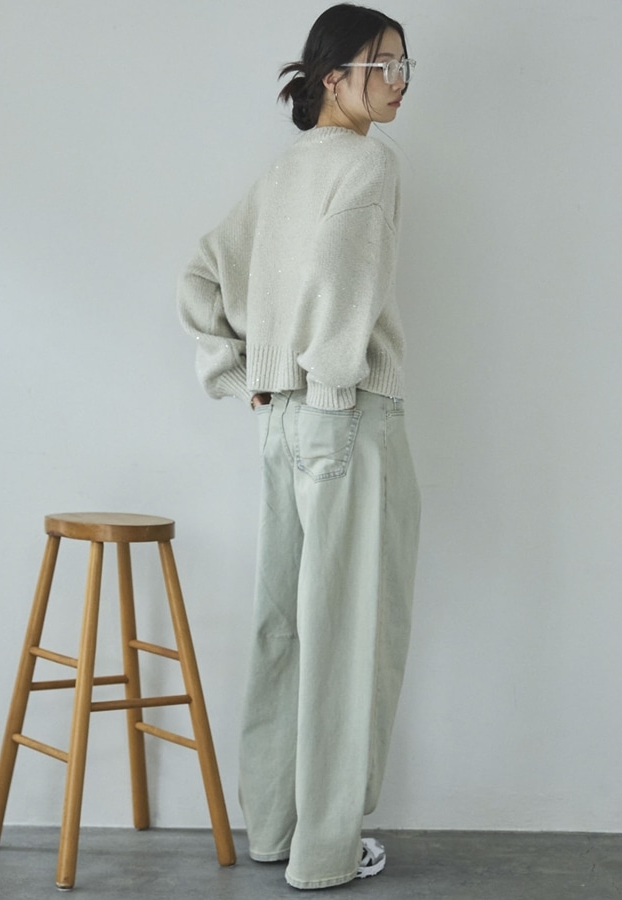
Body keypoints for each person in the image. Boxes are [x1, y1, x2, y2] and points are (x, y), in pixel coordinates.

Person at [177, 3, 421, 890]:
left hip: (279, 421)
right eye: (382, 65)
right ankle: (324, 853)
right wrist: (326, 380)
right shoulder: (368, 164)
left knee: (282, 626)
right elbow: (344, 285)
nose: (398, 83)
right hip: (345, 414)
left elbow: (201, 272)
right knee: (352, 633)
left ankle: (275, 829)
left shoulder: (284, 173)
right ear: (333, 77)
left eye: (404, 66)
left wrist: (244, 367)